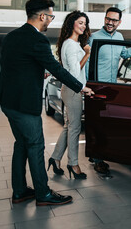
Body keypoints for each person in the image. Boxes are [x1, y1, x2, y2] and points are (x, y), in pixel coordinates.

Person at [0, 0, 93, 206]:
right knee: (36, 146)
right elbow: (57, 69)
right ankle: (43, 193)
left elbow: (16, 66)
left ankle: (20, 191)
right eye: (50, 16)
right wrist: (80, 86)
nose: (50, 20)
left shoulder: (11, 37)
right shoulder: (37, 39)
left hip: (7, 100)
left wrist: (39, 72)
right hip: (23, 103)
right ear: (41, 16)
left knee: (21, 144)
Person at [86, 7, 131, 174]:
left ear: (119, 22)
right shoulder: (94, 38)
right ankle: (98, 159)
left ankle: (97, 154)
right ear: (104, 18)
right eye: (108, 19)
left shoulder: (119, 37)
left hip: (112, 87)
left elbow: (126, 53)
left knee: (106, 124)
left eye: (114, 20)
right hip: (97, 87)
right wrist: (86, 85)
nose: (110, 22)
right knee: (97, 124)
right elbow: (86, 63)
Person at [48, 11, 91, 180]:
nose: (83, 26)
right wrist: (87, 54)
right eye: (80, 22)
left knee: (69, 127)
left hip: (70, 89)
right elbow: (74, 72)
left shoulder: (70, 43)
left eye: (85, 23)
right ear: (72, 23)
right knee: (75, 129)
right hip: (74, 90)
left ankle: (55, 158)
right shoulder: (72, 45)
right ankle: (73, 164)